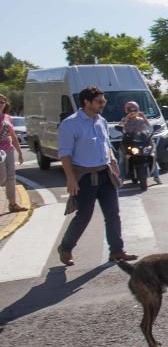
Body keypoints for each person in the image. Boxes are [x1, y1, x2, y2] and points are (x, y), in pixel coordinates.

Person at [56, 86, 136, 266]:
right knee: (84, 215)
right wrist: (70, 178)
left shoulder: (101, 121)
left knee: (113, 213)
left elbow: (106, 146)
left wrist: (114, 166)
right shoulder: (70, 123)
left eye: (104, 101)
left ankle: (116, 251)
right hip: (84, 177)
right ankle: (66, 247)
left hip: (105, 174)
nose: (103, 104)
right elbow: (65, 154)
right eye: (99, 101)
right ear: (86, 102)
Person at [117, 100, 161, 185]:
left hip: (143, 141)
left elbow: (150, 128)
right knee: (122, 159)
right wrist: (127, 118)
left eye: (135, 110)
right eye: (130, 110)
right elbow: (120, 126)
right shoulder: (124, 119)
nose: (132, 112)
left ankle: (156, 176)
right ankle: (121, 179)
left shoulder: (141, 119)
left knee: (153, 155)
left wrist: (144, 117)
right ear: (126, 111)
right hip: (129, 141)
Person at [0, 93, 26, 214]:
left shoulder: (7, 117)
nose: (0, 105)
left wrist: (19, 152)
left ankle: (12, 204)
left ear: (5, 104)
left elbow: (13, 136)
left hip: (8, 149)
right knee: (2, 177)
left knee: (11, 177)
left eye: (2, 102)